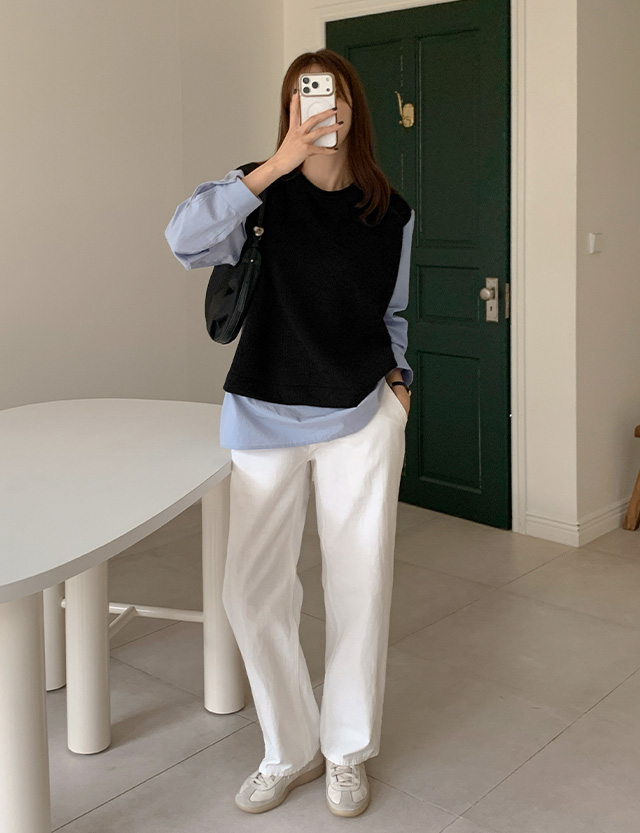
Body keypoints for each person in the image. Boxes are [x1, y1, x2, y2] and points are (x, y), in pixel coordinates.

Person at [165, 48, 415, 819]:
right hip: (263, 412)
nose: (321, 108)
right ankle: (290, 746)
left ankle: (345, 751)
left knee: (358, 585)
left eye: (333, 95)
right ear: (289, 109)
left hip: (360, 414)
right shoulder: (259, 192)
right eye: (307, 96)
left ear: (354, 108)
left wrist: (400, 384)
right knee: (250, 590)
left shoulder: (391, 212)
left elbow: (394, 310)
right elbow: (182, 239)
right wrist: (275, 165)